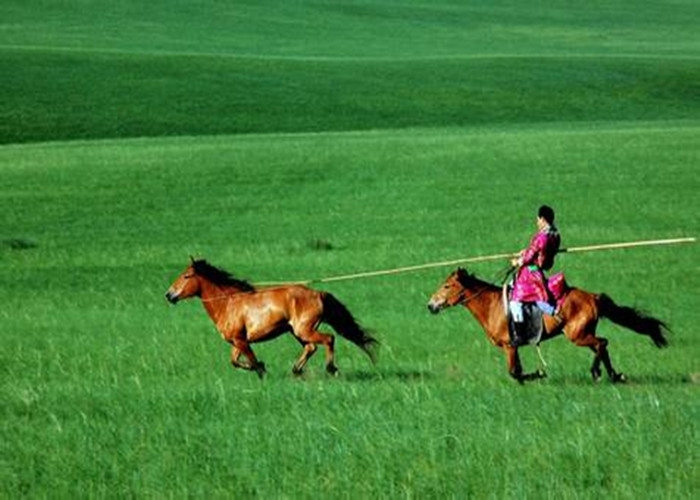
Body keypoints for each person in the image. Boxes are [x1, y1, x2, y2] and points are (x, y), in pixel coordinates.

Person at [508, 205, 561, 345]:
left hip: (530, 274)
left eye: (538, 220)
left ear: (543, 219)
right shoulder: (554, 235)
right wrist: (524, 251)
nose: (537, 222)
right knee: (535, 298)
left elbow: (529, 257)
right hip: (536, 271)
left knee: (514, 301)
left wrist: (517, 261)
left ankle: (519, 335)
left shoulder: (541, 238)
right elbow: (534, 252)